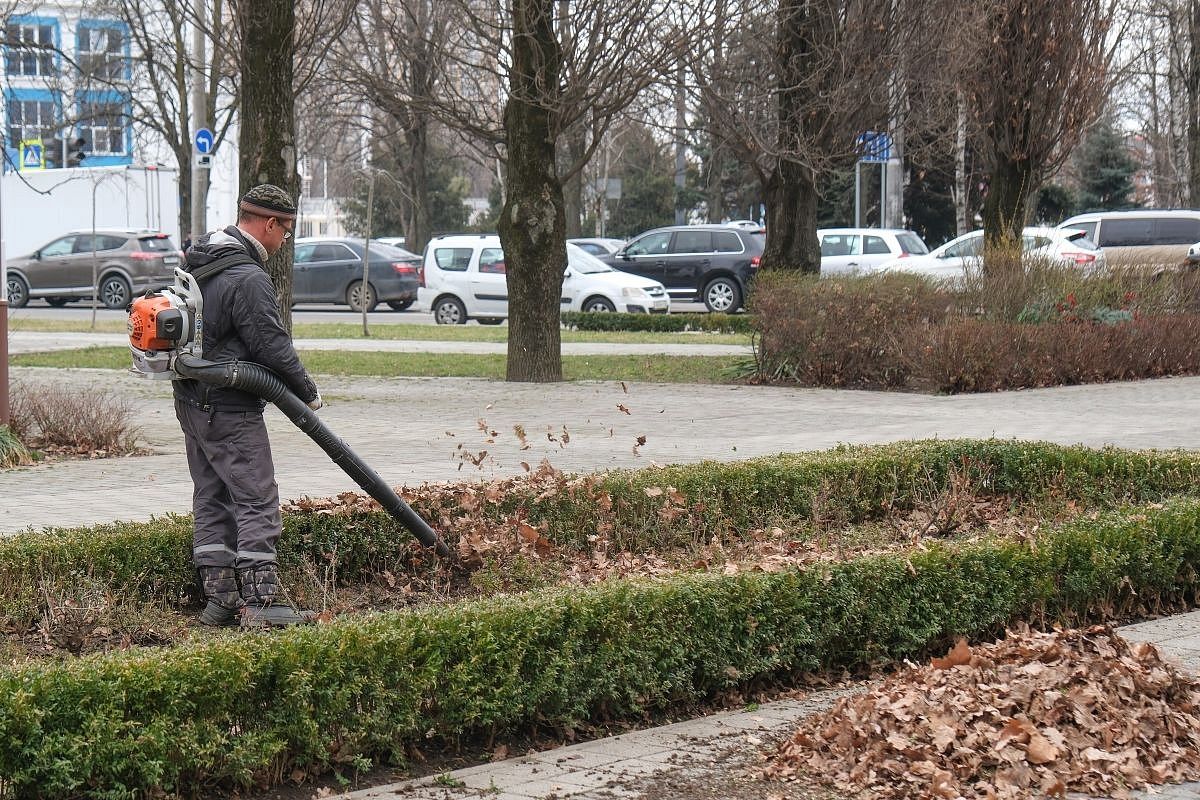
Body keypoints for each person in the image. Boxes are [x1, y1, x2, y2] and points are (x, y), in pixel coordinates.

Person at [174, 184, 322, 628]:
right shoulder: (248, 277)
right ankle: (261, 605)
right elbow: (272, 347)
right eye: (287, 230)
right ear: (269, 223)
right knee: (257, 497)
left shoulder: (199, 259)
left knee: (212, 494)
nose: (286, 241)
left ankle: (219, 600)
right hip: (231, 408)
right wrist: (307, 391)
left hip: (191, 402)